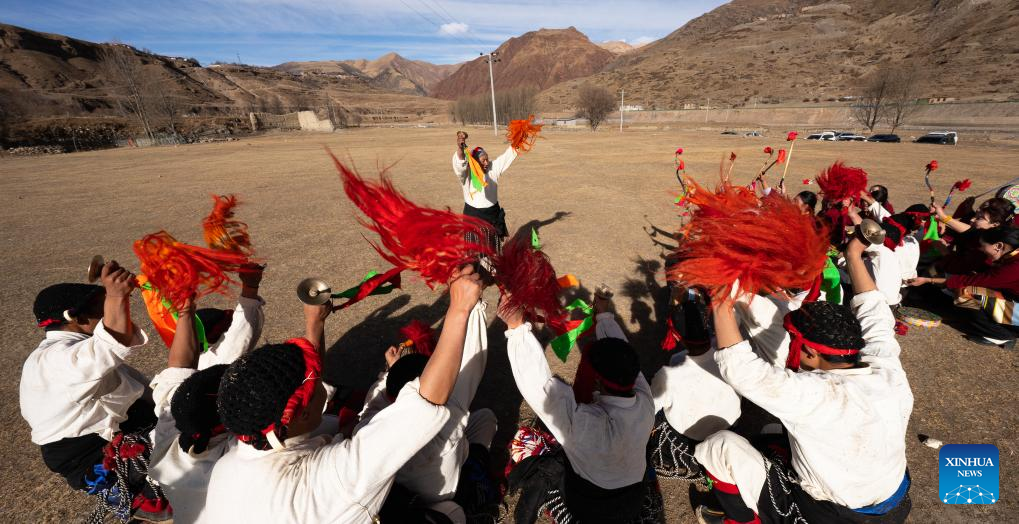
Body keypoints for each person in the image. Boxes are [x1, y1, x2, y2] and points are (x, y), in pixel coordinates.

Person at [203, 266, 484, 523]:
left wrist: (315, 323)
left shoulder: (229, 462)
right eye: (313, 385)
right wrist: (459, 309)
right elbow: (423, 404)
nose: (319, 383)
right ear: (300, 412)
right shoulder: (332, 480)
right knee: (451, 514)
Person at [693, 235, 913, 524]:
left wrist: (720, 298)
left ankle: (742, 519)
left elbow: (740, 369)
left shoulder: (814, 395)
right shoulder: (887, 369)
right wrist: (854, 253)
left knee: (718, 446)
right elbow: (874, 312)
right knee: (774, 429)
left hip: (835, 516)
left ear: (809, 351)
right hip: (894, 504)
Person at [20, 262, 170, 521]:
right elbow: (113, 341)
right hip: (88, 452)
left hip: (115, 430)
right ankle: (146, 494)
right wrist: (115, 295)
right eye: (102, 310)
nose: (108, 315)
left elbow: (142, 391)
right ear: (76, 318)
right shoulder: (55, 360)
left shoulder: (76, 351)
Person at [502, 296, 655, 523]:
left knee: (546, 461)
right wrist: (603, 316)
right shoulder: (646, 401)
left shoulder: (583, 424)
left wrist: (515, 328)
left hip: (590, 506)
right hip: (634, 498)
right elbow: (622, 352)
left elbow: (540, 388)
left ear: (598, 382)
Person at [352, 295, 497, 512]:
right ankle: (475, 479)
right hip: (441, 502)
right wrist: (472, 306)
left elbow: (372, 403)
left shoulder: (369, 426)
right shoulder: (448, 418)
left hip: (395, 494)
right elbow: (473, 362)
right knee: (486, 418)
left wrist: (391, 371)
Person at [146, 265, 265, 523]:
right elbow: (243, 332)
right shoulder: (241, 454)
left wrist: (185, 312)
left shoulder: (170, 425)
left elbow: (178, 370)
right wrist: (249, 289)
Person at [649, 294, 741, 480]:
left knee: (652, 409)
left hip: (688, 438)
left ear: (677, 336)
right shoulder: (732, 359)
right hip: (730, 428)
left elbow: (651, 408)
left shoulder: (669, 374)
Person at [910, 227, 1019, 348]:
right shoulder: (1012, 258)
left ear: (998, 246)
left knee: (965, 293)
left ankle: (1000, 335)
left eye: (983, 246)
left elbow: (968, 281)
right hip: (1013, 300)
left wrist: (927, 280)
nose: (981, 249)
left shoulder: (1014, 267)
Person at [453, 130, 517, 238]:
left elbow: (508, 155)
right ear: (476, 162)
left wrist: (520, 138)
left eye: (487, 159)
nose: (487, 162)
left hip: (493, 214)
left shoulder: (493, 167)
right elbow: (460, 163)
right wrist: (460, 148)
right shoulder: (467, 174)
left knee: (493, 250)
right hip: (473, 215)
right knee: (475, 251)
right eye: (483, 160)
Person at [933, 197, 1016, 275]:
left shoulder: (986, 245)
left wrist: (944, 251)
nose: (972, 219)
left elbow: (958, 268)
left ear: (995, 224)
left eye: (980, 218)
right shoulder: (985, 228)